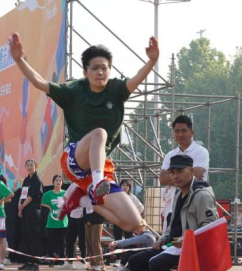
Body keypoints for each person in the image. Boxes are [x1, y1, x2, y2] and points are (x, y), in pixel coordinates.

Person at [10, 33, 157, 232]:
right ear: (85, 71)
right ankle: (96, 186)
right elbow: (39, 82)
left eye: (104, 68)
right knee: (99, 134)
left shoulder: (116, 89)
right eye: (94, 68)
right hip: (75, 159)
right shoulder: (73, 91)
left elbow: (137, 79)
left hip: (100, 167)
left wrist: (152, 61)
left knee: (134, 224)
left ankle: (83, 199)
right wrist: (19, 60)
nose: (100, 72)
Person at [129, 155, 219, 271]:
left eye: (180, 171)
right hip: (172, 246)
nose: (175, 176)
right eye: (172, 173)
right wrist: (162, 239)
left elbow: (210, 226)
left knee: (156, 263)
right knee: (135, 262)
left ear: (191, 171)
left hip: (192, 249)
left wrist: (187, 240)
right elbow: (172, 225)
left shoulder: (202, 195)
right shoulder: (177, 194)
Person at [17, 159, 43, 270]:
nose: (29, 167)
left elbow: (32, 196)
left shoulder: (37, 180)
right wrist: (19, 207)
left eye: (31, 165)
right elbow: (22, 195)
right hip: (25, 211)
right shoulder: (26, 179)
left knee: (33, 237)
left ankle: (34, 263)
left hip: (33, 211)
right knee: (26, 237)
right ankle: (28, 261)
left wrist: (22, 206)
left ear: (35, 166)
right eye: (27, 165)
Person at [111, 180, 144, 263]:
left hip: (128, 222)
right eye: (123, 185)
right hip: (118, 221)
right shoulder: (116, 196)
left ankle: (126, 259)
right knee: (117, 239)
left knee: (128, 240)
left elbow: (141, 207)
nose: (125, 187)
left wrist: (133, 215)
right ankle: (118, 259)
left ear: (129, 187)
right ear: (120, 186)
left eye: (127, 185)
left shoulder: (132, 197)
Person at [41, 175, 68, 267]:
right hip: (52, 222)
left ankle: (62, 260)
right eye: (56, 180)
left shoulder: (65, 193)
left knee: (62, 242)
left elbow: (70, 203)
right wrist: (48, 206)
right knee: (50, 242)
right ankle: (51, 260)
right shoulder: (48, 194)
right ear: (53, 182)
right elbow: (42, 202)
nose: (58, 182)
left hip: (63, 222)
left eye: (60, 180)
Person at [65, 205, 86, 270]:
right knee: (69, 239)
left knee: (82, 240)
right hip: (72, 216)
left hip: (82, 217)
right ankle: (70, 262)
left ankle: (83, 261)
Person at [84, 206, 105, 271]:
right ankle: (92, 263)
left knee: (95, 242)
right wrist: (87, 220)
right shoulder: (85, 200)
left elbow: (100, 210)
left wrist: (91, 220)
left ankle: (100, 263)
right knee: (89, 242)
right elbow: (85, 209)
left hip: (97, 221)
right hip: (87, 221)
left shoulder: (97, 200)